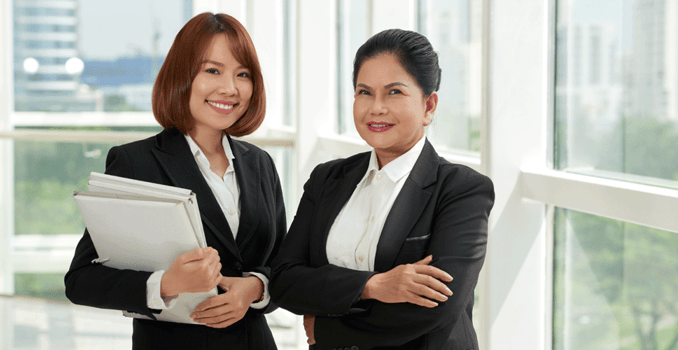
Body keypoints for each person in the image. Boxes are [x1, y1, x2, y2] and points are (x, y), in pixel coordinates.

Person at [65, 13, 285, 350]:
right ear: (183, 76)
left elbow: (283, 265)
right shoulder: (135, 162)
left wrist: (255, 288)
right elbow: (82, 281)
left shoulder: (260, 164)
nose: (229, 87)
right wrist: (166, 283)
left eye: (243, 74)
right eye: (213, 70)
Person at [270, 29, 494, 350]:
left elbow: (439, 306)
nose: (376, 108)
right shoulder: (327, 178)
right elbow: (284, 280)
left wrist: (327, 329)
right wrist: (373, 285)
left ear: (428, 106)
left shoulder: (462, 189)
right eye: (364, 92)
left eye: (394, 92)